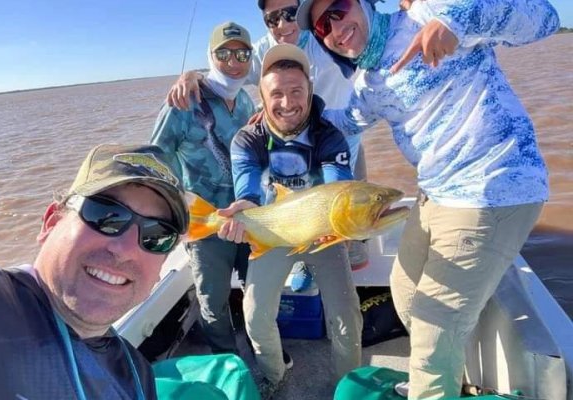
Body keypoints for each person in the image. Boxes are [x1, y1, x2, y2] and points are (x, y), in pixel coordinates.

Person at [296, 0, 560, 398]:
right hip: (436, 193)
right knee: (404, 291)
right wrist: (277, 115)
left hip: (492, 186)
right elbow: (344, 120)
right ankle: (441, 377)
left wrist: (455, 21)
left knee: (435, 328)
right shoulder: (370, 83)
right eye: (321, 28)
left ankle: (432, 379)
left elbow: (546, 19)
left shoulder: (426, 12)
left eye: (339, 7)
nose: (334, 26)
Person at [169, 0, 371, 273]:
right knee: (300, 210)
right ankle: (303, 268)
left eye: (290, 14)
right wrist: (192, 75)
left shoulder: (327, 34)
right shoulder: (264, 49)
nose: (283, 25)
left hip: (341, 140)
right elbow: (230, 69)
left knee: (351, 226)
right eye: (272, 19)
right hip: (295, 145)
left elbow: (367, 44)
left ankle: (347, 263)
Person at [0, 143, 189, 399]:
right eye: (106, 215)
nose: (125, 250)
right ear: (52, 222)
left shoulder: (137, 375)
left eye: (157, 235)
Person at [218, 43, 363, 399]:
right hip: (274, 231)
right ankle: (274, 375)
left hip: (323, 234)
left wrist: (345, 225)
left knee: (346, 317)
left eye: (296, 91)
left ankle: (351, 384)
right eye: (276, 93)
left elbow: (337, 190)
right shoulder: (248, 139)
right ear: (263, 97)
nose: (287, 102)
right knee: (254, 314)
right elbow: (248, 189)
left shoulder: (329, 136)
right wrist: (243, 209)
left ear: (310, 90)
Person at [151, 21, 256, 356]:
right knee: (213, 299)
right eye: (224, 52)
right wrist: (169, 215)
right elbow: (156, 160)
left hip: (246, 215)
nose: (234, 60)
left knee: (259, 288)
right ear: (210, 55)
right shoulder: (182, 102)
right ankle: (228, 361)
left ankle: (262, 346)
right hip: (204, 223)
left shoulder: (243, 102)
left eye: (242, 52)